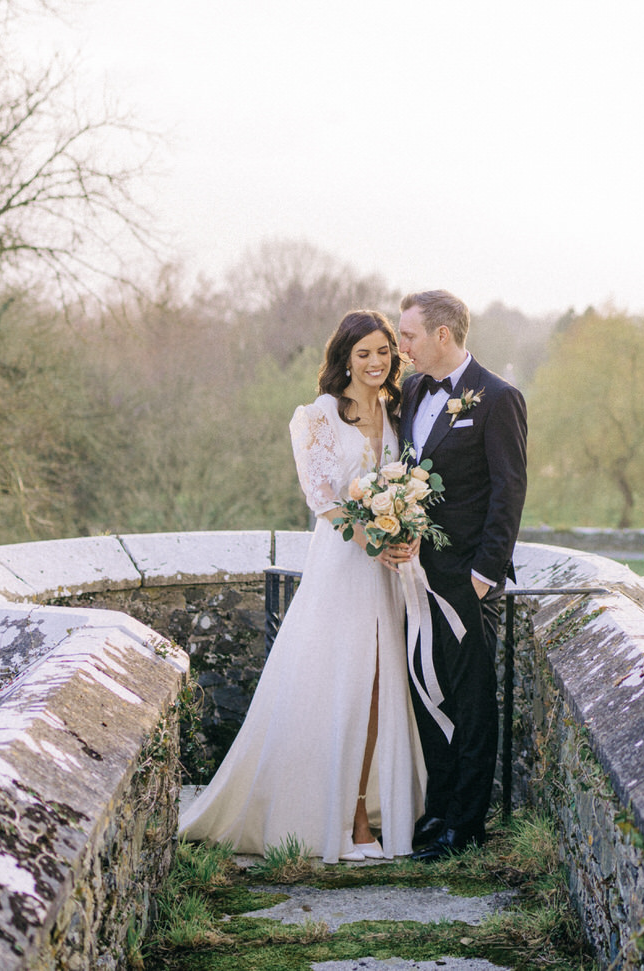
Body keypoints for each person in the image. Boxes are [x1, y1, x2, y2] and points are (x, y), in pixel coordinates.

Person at [178, 310, 426, 861]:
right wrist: (373, 542)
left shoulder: (395, 411)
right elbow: (322, 500)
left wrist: (405, 535)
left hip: (385, 574)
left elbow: (405, 484)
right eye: (363, 353)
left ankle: (361, 805)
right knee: (338, 686)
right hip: (342, 566)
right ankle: (349, 821)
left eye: (383, 351)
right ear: (343, 357)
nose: (375, 362)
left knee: (379, 688)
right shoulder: (314, 417)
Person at [396, 289, 528, 860]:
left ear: (442, 335)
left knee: (473, 700)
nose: (402, 348)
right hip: (414, 575)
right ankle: (439, 809)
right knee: (428, 689)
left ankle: (467, 826)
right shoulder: (410, 391)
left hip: (467, 581)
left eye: (408, 336)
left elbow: (509, 490)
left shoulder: (499, 398)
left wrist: (483, 574)